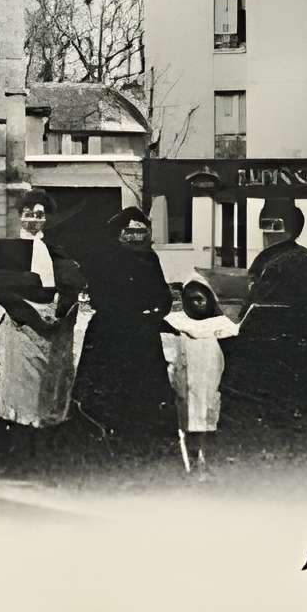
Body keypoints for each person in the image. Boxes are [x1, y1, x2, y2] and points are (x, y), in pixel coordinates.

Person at [218, 201, 307, 485]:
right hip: (302, 355)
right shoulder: (300, 260)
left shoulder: (285, 262)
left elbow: (266, 309)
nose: (264, 231)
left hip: (276, 356)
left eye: (269, 224)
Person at [0, 190, 80, 478]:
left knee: (49, 395)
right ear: (19, 215)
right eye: (28, 213)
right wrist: (34, 315)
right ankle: (12, 460)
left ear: (46, 218)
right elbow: (4, 290)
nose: (33, 219)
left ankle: (44, 460)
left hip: (53, 332)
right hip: (22, 326)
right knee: (16, 395)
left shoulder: (56, 249)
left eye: (39, 215)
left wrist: (61, 311)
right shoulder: (9, 248)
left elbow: (71, 282)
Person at [63, 205, 182, 485]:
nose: (135, 237)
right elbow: (160, 301)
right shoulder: (121, 259)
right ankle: (117, 452)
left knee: (127, 396)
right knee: (118, 395)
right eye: (131, 232)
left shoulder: (133, 259)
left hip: (126, 335)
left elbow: (162, 298)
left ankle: (123, 450)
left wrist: (152, 313)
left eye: (139, 232)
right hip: (123, 335)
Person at [162, 278, 240, 475]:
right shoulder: (176, 324)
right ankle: (192, 464)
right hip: (186, 382)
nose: (196, 304)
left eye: (199, 299)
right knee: (188, 421)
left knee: (210, 421)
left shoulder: (223, 325)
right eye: (190, 301)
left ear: (210, 300)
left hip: (211, 381)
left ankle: (210, 465)